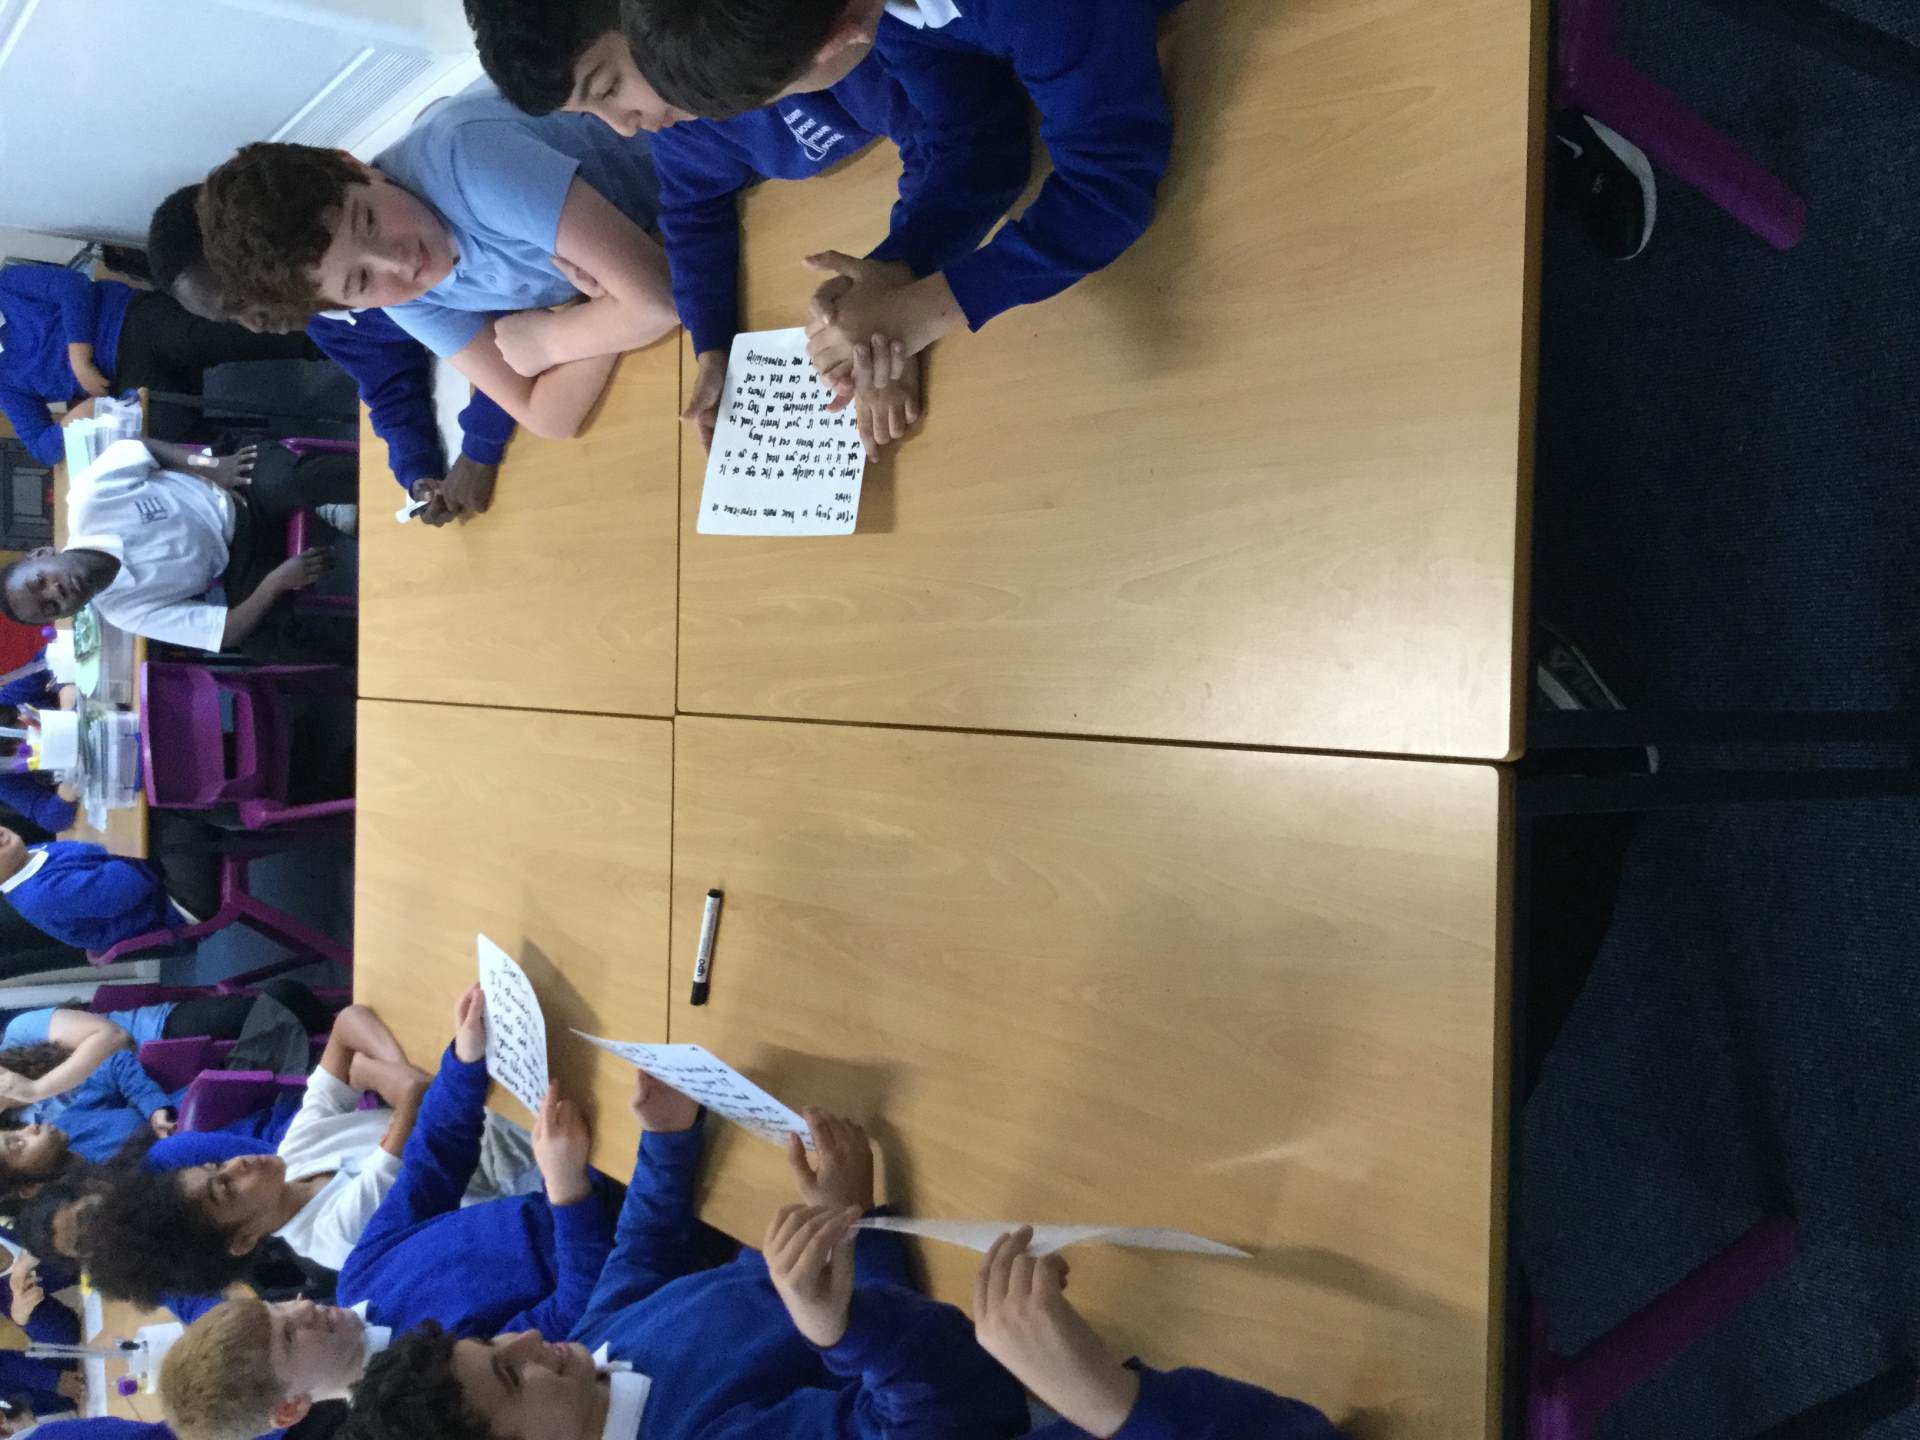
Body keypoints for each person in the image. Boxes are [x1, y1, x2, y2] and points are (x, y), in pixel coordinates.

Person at [463, 0, 1030, 458]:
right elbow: (691, 208)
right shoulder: (683, 126)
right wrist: (714, 346)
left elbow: (970, 149)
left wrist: (895, 287)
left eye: (609, 87)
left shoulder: (827, 36)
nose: (624, 128)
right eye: (592, 114)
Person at [342, 1092, 1035, 1440]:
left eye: (493, 1342)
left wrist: (667, 1136)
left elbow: (641, 1256)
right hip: (958, 1299)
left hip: (858, 1239)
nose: (525, 1339)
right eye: (508, 1376)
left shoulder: (585, 1363)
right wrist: (848, 1262)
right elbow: (954, 1419)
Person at [617, 0, 1186, 409]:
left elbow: (1110, 182)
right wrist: (897, 269)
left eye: (782, 94)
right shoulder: (886, 13)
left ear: (837, 44)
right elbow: (978, 143)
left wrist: (926, 310)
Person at [158, 986, 625, 1440]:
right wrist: (568, 1191)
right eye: (289, 1338)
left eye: (277, 1307)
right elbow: (583, 1308)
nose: (303, 1308)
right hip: (621, 1232)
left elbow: (431, 1167)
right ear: (291, 1407)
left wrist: (463, 1062)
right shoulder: (436, 1383)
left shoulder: (359, 1280)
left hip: (585, 1185)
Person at [196, 89, 675, 442]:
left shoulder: (470, 162)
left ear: (355, 166)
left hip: (693, 161)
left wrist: (549, 341)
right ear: (345, 306)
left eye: (368, 222)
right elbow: (547, 416)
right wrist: (606, 309)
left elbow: (661, 300)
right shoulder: (404, 296)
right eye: (361, 280)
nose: (398, 261)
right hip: (675, 238)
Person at [77, 1004, 533, 1311]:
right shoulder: (334, 1235)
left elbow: (349, 1024)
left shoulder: (292, 1157)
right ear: (245, 1240)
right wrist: (383, 1077)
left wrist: (389, 1072)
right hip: (522, 1162)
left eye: (216, 1167)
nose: (237, 1164)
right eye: (227, 1188)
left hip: (487, 1108)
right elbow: (418, 1100)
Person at [146, 187, 514, 528]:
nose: (254, 326)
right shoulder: (325, 320)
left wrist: (480, 447)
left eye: (242, 300)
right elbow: (388, 386)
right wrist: (418, 472)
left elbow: (520, 305)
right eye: (232, 320)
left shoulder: (396, 248)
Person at [0, 436, 353, 662]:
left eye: (40, 581)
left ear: (42, 554)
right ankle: (375, 649)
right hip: (239, 556)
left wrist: (212, 467)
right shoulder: (122, 612)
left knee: (289, 480)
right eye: (51, 606)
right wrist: (276, 582)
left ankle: (382, 483)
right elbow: (226, 632)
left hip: (231, 490)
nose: (56, 592)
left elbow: (140, 448)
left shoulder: (88, 501)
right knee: (266, 644)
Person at [0, 260, 318, 470]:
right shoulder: (4, 382)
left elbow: (73, 287)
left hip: (130, 320)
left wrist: (79, 359)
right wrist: (78, 416)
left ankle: (323, 339)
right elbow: (41, 448)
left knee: (202, 337)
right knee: (176, 446)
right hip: (123, 382)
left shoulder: (8, 284)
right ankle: (296, 461)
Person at [0, 828, 187, 952]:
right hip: (171, 903)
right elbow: (132, 883)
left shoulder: (26, 856)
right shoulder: (42, 896)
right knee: (184, 823)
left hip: (154, 875)